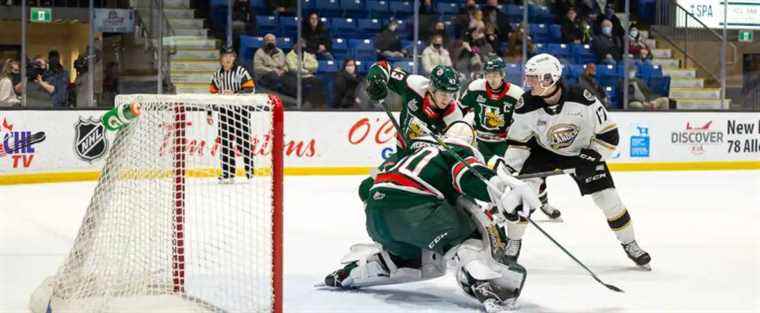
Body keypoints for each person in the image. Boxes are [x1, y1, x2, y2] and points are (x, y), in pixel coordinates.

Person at [324, 122, 541, 313]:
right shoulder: (457, 150)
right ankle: (486, 284)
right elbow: (468, 175)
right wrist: (502, 194)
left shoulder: (413, 153)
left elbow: (366, 188)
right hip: (416, 213)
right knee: (469, 232)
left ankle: (356, 272)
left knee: (414, 261)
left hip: (376, 219)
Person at [501, 53, 652, 269]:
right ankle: (513, 241)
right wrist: (510, 172)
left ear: (549, 78)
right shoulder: (525, 104)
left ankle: (630, 243)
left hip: (582, 152)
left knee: (609, 200)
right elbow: (518, 143)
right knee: (523, 198)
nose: (528, 82)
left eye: (534, 78)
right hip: (543, 152)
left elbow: (609, 134)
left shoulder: (583, 98)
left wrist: (592, 156)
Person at [459, 56, 562, 220]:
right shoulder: (475, 88)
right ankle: (495, 204)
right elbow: (459, 109)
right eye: (489, 74)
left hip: (506, 143)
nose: (492, 79)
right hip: (481, 142)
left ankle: (543, 203)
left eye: (496, 75)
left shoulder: (516, 94)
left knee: (531, 175)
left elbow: (529, 118)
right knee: (491, 175)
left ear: (503, 75)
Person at [365, 61, 464, 152]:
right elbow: (382, 66)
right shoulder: (414, 85)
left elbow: (457, 150)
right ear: (432, 88)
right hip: (404, 148)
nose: (447, 99)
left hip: (433, 160)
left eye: (451, 93)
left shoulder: (454, 116)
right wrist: (376, 80)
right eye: (443, 93)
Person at [206, 47, 256, 183]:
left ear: (234, 59)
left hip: (241, 112)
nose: (228, 59)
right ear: (221, 59)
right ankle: (228, 173)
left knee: (243, 143)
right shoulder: (217, 75)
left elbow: (251, 89)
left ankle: (249, 172)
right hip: (224, 112)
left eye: (231, 56)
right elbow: (212, 94)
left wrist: (235, 95)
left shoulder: (241, 72)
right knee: (226, 143)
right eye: (225, 56)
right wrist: (209, 113)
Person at [284, 40, 325, 107]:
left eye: (303, 44)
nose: (301, 46)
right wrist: (307, 71)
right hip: (296, 77)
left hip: (308, 76)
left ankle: (314, 103)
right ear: (295, 46)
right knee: (314, 82)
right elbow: (293, 68)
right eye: (299, 44)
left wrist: (304, 66)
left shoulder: (308, 55)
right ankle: (309, 102)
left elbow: (315, 65)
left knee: (318, 82)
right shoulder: (289, 56)